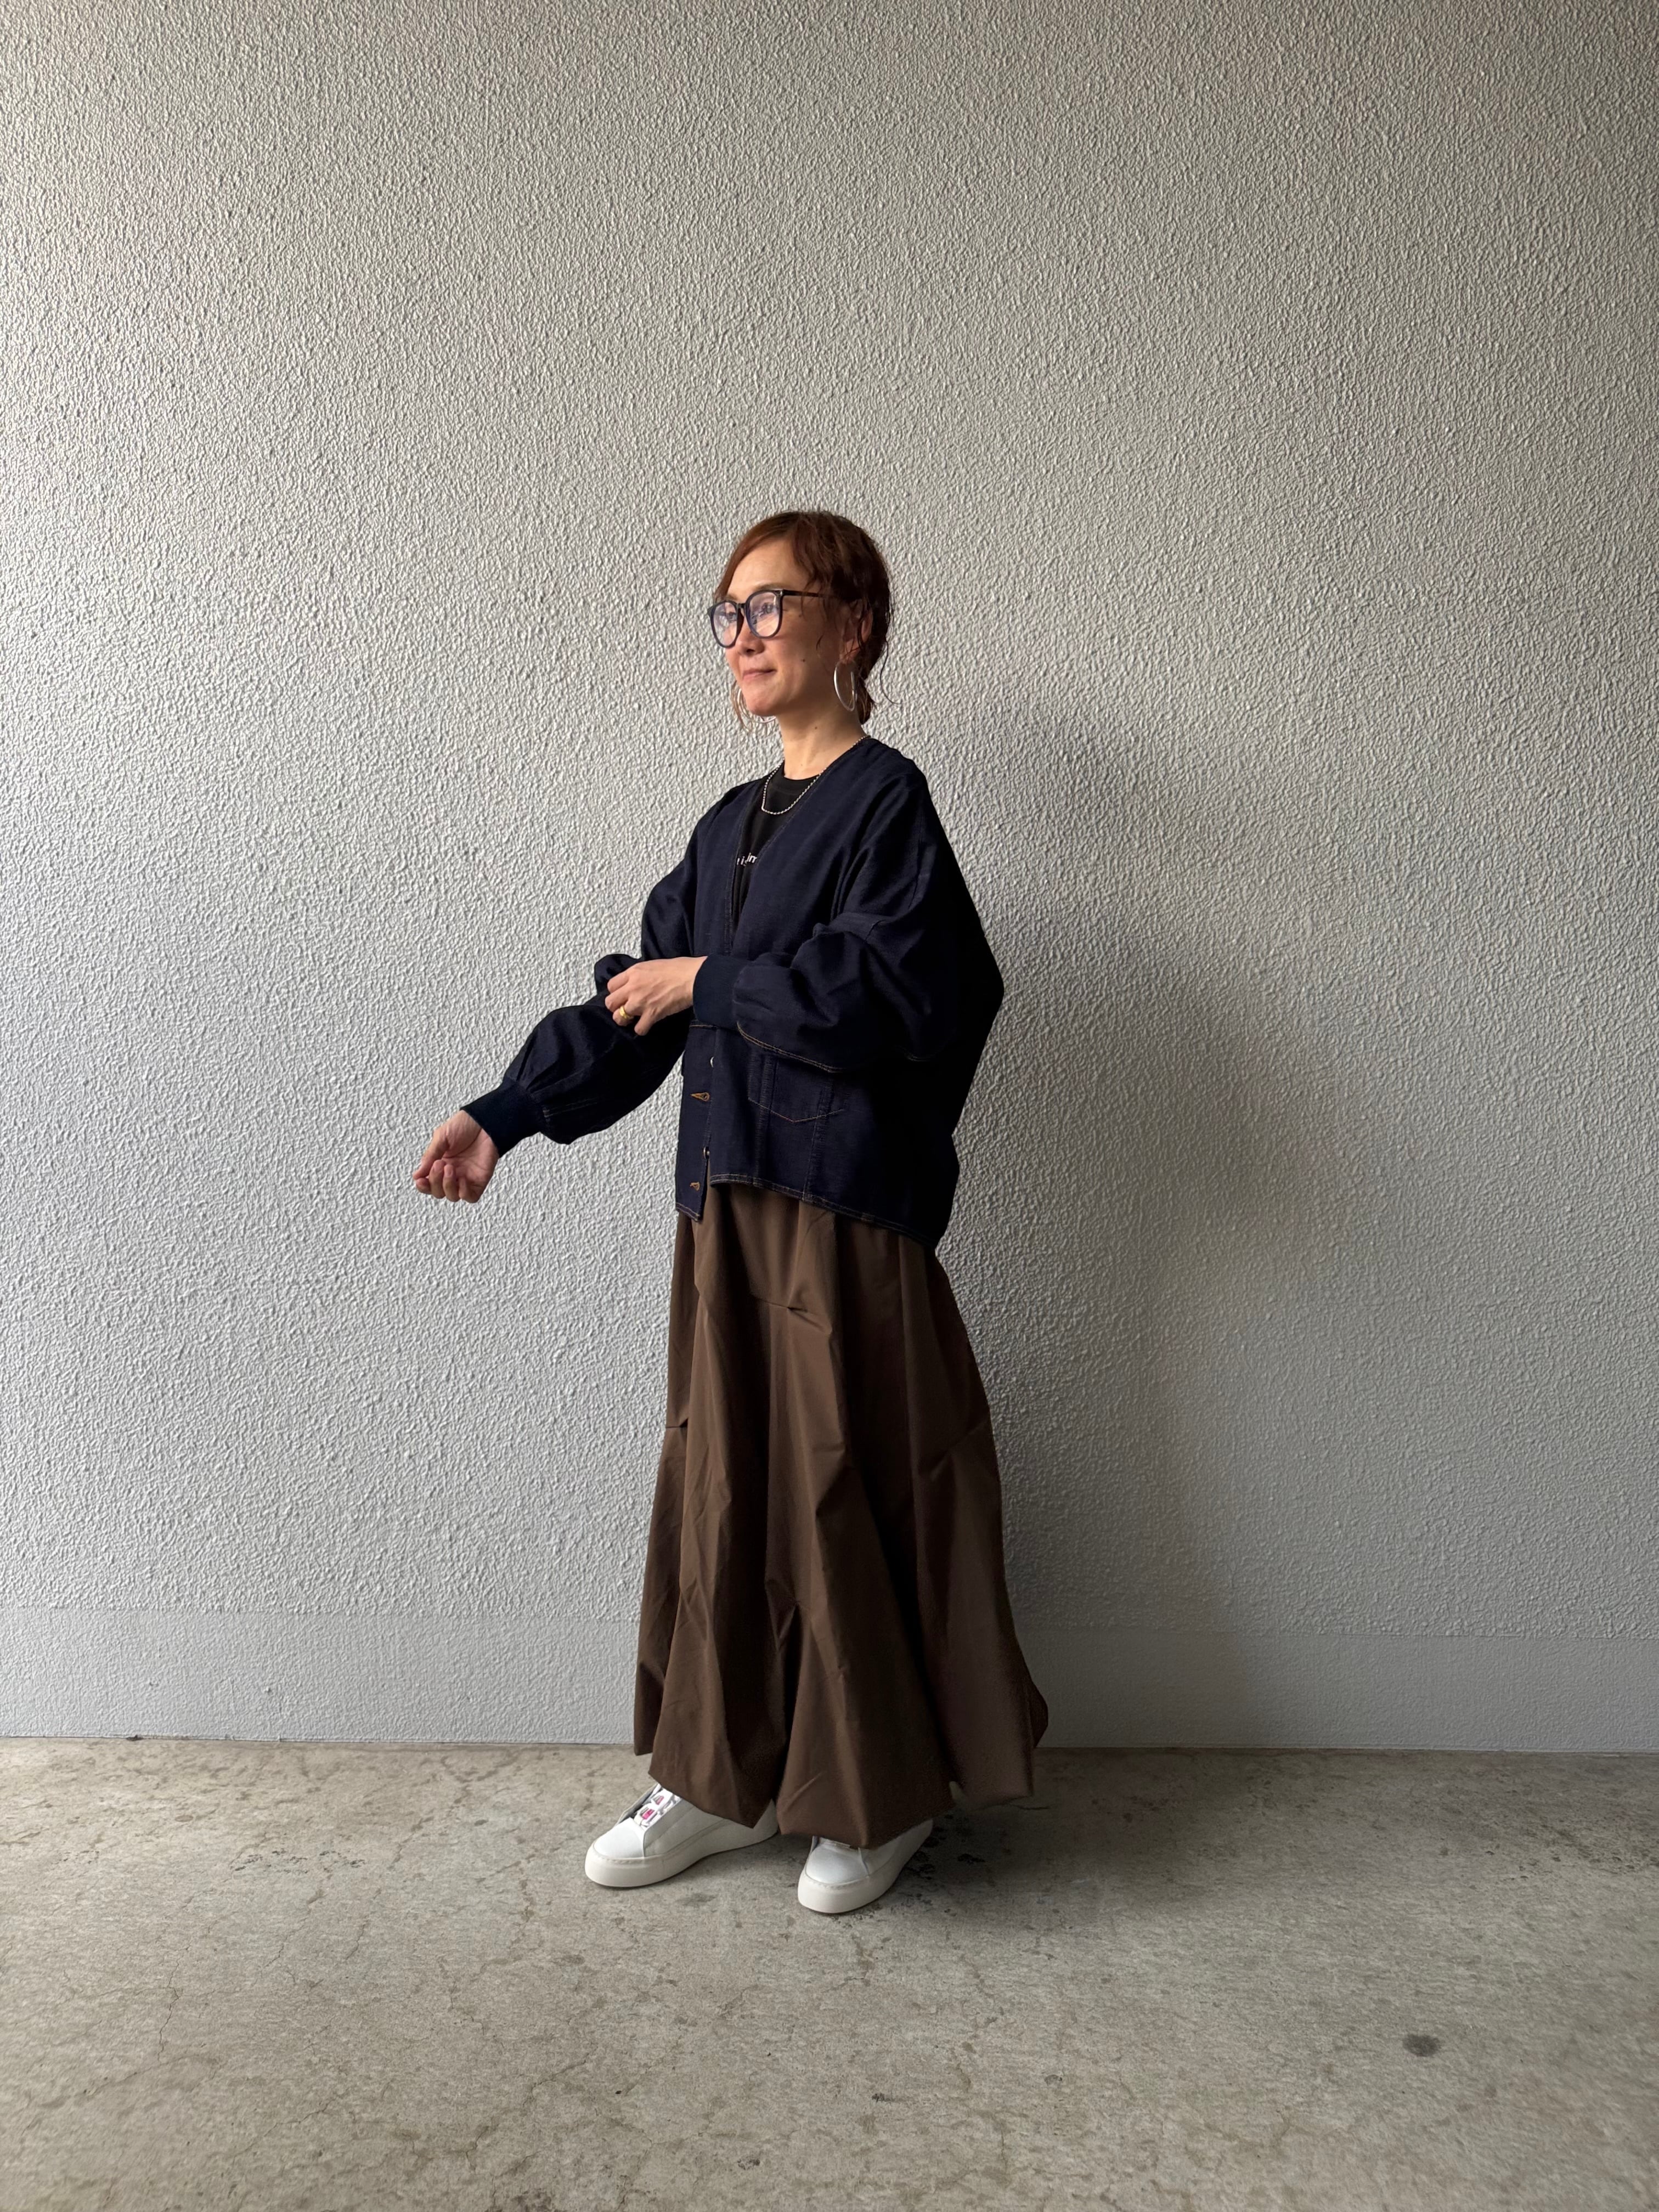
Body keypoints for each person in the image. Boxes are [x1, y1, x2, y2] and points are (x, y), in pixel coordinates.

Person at [413, 509, 1049, 1915]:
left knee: (840, 1490)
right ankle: (713, 1776)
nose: (745, 636)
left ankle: (875, 1795)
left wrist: (713, 981)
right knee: (721, 1497)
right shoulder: (724, 830)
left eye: (773, 605)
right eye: (730, 613)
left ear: (853, 625)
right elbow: (637, 1005)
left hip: (843, 1221)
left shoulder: (889, 806)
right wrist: (504, 1112)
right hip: (726, 1217)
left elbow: (897, 999)